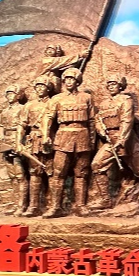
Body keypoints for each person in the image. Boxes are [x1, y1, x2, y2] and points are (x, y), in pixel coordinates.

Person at [91, 72, 139, 216]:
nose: (111, 87)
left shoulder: (126, 100)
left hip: (128, 141)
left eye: (114, 84)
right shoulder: (104, 104)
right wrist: (101, 131)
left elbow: (127, 120)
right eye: (109, 84)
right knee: (97, 165)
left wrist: (121, 139)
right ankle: (105, 200)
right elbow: (98, 120)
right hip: (110, 140)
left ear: (120, 86)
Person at [42, 68, 95, 217]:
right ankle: (55, 207)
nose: (69, 82)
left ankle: (80, 205)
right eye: (66, 79)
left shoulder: (86, 98)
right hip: (63, 137)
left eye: (72, 79)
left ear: (77, 81)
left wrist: (92, 140)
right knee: (58, 173)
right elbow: (48, 118)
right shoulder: (57, 99)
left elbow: (92, 121)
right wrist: (46, 135)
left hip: (82, 137)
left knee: (81, 173)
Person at [19, 76, 55, 216]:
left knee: (52, 172)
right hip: (33, 140)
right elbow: (22, 125)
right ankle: (34, 206)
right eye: (37, 86)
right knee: (34, 172)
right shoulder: (29, 105)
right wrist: (18, 141)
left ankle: (53, 206)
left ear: (48, 88)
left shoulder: (54, 102)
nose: (40, 89)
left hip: (50, 140)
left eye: (42, 86)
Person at [0, 85, 28, 214]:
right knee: (12, 176)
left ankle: (22, 205)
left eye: (12, 94)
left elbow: (24, 126)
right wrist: (1, 135)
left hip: (18, 140)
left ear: (18, 96)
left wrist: (19, 141)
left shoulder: (22, 108)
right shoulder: (4, 111)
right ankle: (15, 203)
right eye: (7, 94)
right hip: (6, 142)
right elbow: (1, 125)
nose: (9, 96)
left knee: (20, 175)